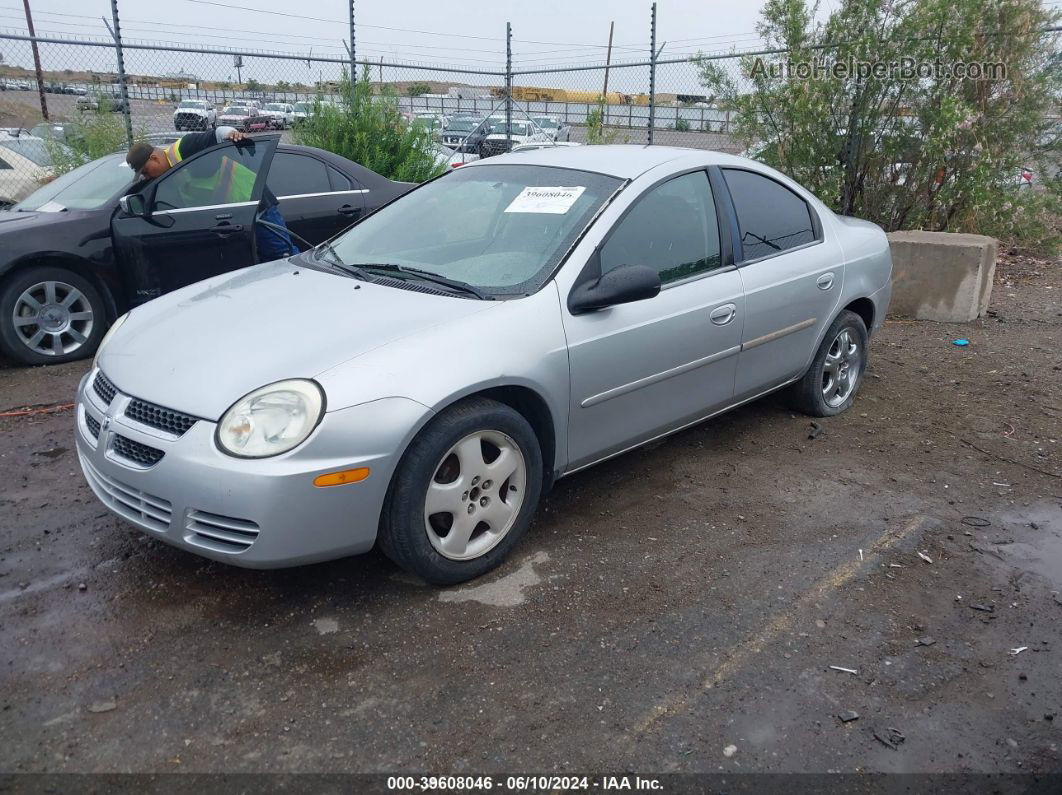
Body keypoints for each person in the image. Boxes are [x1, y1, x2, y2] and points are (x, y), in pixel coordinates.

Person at [125, 126, 297, 261]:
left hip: (255, 202)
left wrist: (232, 133)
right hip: (237, 218)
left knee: (282, 256)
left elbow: (216, 134)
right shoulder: (167, 176)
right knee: (262, 264)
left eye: (146, 171)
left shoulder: (183, 148)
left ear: (154, 158)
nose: (147, 177)